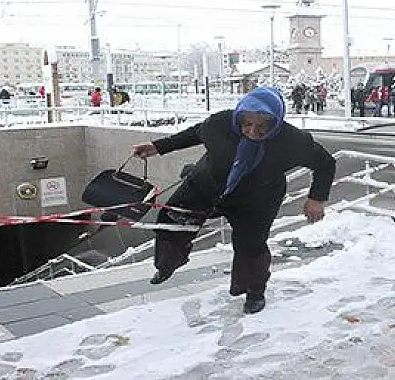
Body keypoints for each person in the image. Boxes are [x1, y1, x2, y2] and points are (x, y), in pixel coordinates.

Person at [131, 87, 336, 314]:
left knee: (251, 246)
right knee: (171, 220)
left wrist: (316, 198)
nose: (252, 132)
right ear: (238, 118)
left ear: (276, 122)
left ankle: (254, 291)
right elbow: (196, 132)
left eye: (262, 127)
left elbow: (326, 164)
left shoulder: (293, 141)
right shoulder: (220, 123)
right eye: (246, 124)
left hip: (257, 198)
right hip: (206, 185)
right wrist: (158, 147)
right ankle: (167, 264)